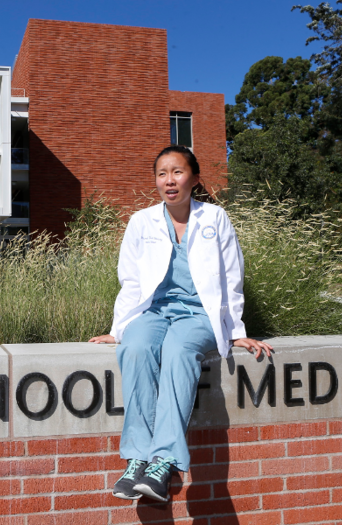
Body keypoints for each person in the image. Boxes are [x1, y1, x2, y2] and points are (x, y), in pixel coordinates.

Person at [89, 145, 273, 503]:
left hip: (199, 313)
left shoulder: (215, 218)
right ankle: (138, 458)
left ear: (194, 178)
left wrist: (236, 331)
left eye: (177, 172)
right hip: (154, 312)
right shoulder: (142, 221)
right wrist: (119, 329)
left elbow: (232, 276)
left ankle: (166, 461)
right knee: (137, 347)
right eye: (162, 173)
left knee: (178, 352)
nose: (169, 180)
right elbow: (131, 281)